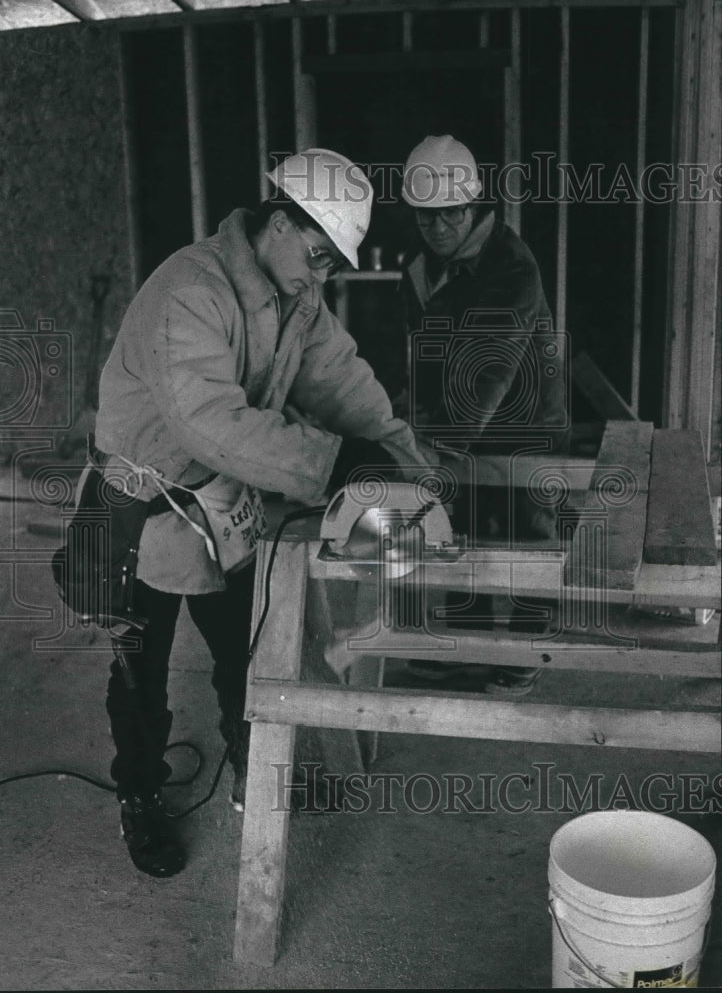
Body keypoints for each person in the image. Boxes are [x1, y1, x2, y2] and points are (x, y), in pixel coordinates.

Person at [92, 148, 434, 878]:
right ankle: (141, 795)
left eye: (331, 264)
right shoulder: (190, 290)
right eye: (317, 255)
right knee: (138, 673)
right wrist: (336, 465)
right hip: (143, 510)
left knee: (243, 654)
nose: (321, 275)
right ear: (278, 223)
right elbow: (208, 421)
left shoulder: (294, 300)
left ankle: (255, 768)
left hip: (220, 501)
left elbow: (340, 379)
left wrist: (403, 461)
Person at [395, 134, 569, 691]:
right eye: (427, 219)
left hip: (524, 424)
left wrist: (435, 447)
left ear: (473, 206)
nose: (440, 228)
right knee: (463, 527)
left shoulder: (512, 267)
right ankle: (467, 641)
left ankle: (524, 649)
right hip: (456, 426)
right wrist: (407, 422)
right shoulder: (419, 269)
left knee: (528, 533)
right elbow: (419, 356)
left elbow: (487, 376)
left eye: (451, 215)